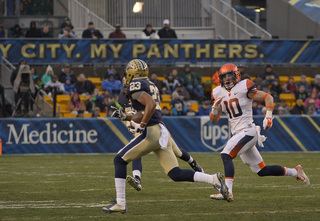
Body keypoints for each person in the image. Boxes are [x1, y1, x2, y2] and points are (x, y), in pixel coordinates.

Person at [102, 59, 229, 213]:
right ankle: (213, 179)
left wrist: (141, 126)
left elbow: (149, 106)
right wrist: (126, 117)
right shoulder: (150, 84)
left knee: (119, 160)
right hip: (160, 131)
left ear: (131, 72)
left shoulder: (135, 85)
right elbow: (144, 111)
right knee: (175, 173)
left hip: (151, 131)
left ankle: (121, 203)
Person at [209, 63, 310, 202]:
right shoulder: (217, 92)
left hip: (248, 131)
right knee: (262, 171)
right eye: (224, 76)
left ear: (236, 75)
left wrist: (268, 115)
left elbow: (268, 97)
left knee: (226, 154)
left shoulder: (245, 86)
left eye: (229, 75)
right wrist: (214, 111)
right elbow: (214, 120)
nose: (227, 79)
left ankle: (227, 191)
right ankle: (295, 172)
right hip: (238, 134)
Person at [112, 78, 203, 192]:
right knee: (135, 153)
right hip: (142, 127)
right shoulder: (125, 97)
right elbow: (131, 112)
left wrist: (135, 120)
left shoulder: (142, 92)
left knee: (177, 152)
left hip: (153, 125)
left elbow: (148, 109)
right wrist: (127, 118)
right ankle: (137, 178)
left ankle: (192, 162)